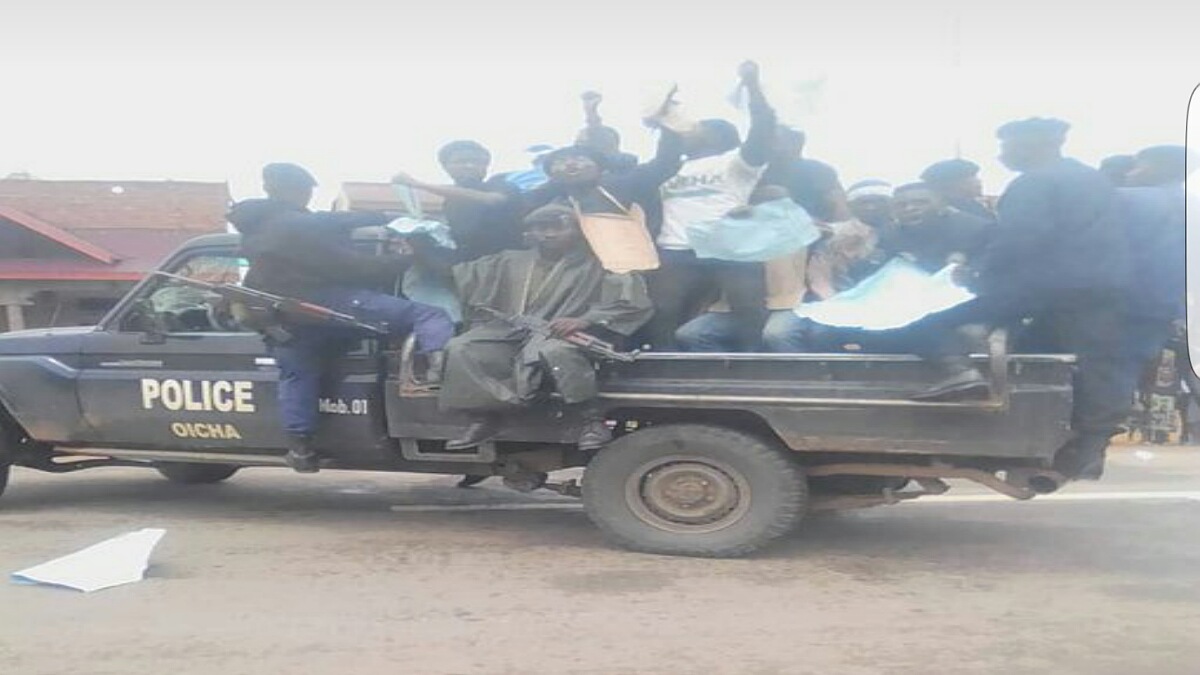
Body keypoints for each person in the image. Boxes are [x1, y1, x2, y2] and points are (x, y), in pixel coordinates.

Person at [913, 118, 1130, 480]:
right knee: (1089, 367)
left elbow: (1019, 240)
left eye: (1008, 146)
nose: (1002, 154)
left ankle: (960, 378)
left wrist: (976, 274)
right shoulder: (1091, 179)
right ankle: (1083, 451)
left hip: (1042, 290)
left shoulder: (1035, 183)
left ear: (1036, 144)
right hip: (1097, 290)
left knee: (929, 320)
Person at [229, 163, 455, 473]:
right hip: (328, 303)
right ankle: (437, 372)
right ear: (296, 189)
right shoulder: (295, 225)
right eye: (307, 190)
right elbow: (352, 267)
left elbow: (335, 221)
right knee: (430, 314)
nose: (309, 196)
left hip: (286, 320)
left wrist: (378, 219)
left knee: (297, 375)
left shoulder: (257, 228)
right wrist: (405, 260)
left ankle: (300, 448)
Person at [437, 204, 653, 451]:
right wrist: (419, 246)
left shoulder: (602, 263)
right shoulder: (511, 260)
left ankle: (591, 421)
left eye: (557, 227)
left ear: (578, 230)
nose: (548, 234)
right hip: (516, 330)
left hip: (572, 333)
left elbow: (630, 303)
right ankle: (487, 416)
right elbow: (458, 275)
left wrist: (585, 320)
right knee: (462, 347)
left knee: (555, 352)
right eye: (540, 228)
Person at [646, 60, 778, 351]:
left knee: (749, 311)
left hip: (730, 246)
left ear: (721, 136)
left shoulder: (737, 163)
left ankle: (751, 373)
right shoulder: (671, 168)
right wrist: (666, 108)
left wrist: (753, 84)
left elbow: (763, 127)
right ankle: (665, 372)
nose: (691, 131)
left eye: (700, 128)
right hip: (677, 247)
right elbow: (664, 134)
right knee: (662, 310)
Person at [1115, 145, 1194, 420]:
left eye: (1138, 164)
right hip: (1172, 307)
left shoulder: (1126, 200)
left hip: (1124, 304)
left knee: (1110, 373)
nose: (1130, 172)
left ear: (1159, 167)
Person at [392, 140, 525, 263]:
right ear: (445, 166)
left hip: (506, 262)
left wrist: (418, 184)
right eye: (461, 161)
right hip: (469, 264)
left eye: (478, 162)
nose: (470, 166)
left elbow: (493, 200)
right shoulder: (451, 202)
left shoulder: (501, 185)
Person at [883, 182, 991, 272]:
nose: (909, 209)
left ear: (942, 206)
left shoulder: (977, 230)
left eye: (920, 203)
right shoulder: (888, 236)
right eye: (901, 205)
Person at [759, 126, 851, 223]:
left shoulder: (819, 171)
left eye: (777, 141)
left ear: (797, 144)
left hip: (818, 229)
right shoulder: (758, 174)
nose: (773, 146)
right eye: (768, 141)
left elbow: (841, 209)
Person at [576, 91, 639, 174]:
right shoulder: (575, 176)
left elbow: (595, 128)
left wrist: (591, 111)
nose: (580, 146)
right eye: (579, 141)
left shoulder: (623, 172)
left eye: (584, 141)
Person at [919, 158, 996, 222]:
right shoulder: (941, 212)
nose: (979, 181)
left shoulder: (974, 206)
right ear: (952, 183)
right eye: (973, 176)